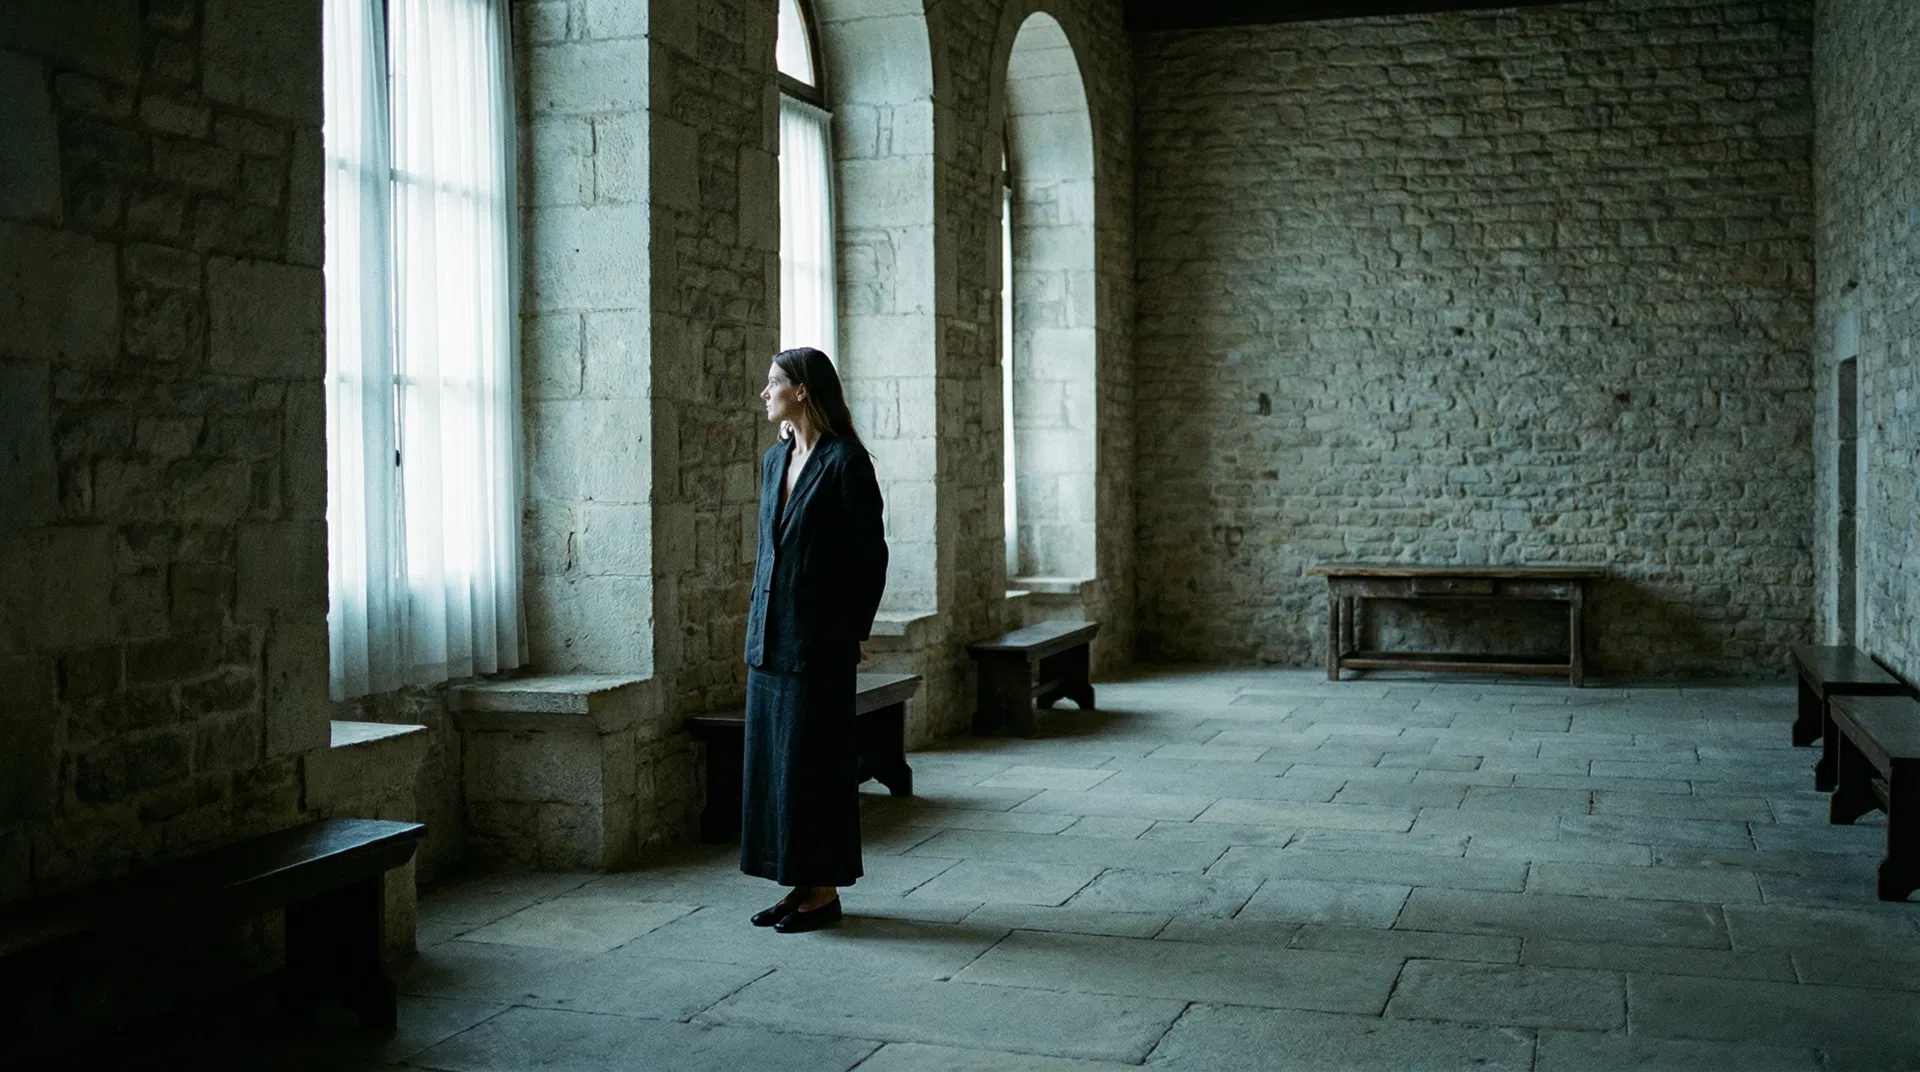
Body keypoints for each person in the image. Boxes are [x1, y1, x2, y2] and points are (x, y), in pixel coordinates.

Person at [740, 346, 888, 933]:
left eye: (773, 382)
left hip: (819, 640)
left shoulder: (846, 462)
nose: (764, 391)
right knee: (776, 767)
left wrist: (855, 628)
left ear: (801, 390)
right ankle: (796, 884)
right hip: (769, 637)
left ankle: (823, 893)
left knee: (815, 767)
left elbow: (869, 556)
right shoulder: (774, 460)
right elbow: (769, 550)